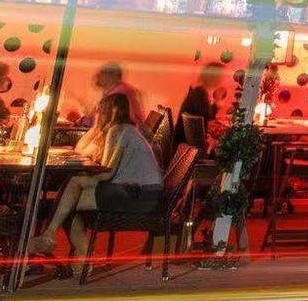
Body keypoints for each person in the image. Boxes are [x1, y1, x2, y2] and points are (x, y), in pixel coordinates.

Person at [29, 93, 163, 271]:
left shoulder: (120, 131)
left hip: (141, 196)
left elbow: (106, 173)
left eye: (101, 109)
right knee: (67, 201)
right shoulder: (123, 129)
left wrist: (85, 179)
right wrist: (97, 129)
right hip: (138, 192)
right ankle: (76, 254)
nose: (97, 113)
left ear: (110, 111)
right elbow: (81, 150)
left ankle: (54, 239)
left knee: (70, 196)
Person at [87, 64, 143, 128]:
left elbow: (102, 120)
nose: (97, 76)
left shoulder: (119, 94)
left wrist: (82, 122)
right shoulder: (112, 91)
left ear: (113, 77)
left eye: (102, 73)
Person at [177, 64, 222, 142]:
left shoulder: (199, 91)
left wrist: (216, 102)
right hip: (190, 144)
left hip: (187, 139)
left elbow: (207, 117)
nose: (221, 81)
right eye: (220, 78)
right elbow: (208, 119)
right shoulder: (200, 95)